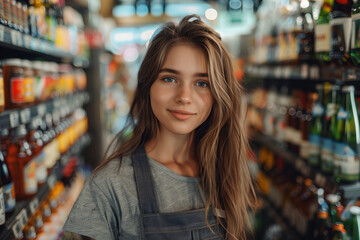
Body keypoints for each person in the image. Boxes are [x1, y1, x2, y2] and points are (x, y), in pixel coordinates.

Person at [63, 14, 256, 240]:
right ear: (147, 86)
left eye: (202, 83)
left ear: (218, 95)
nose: (184, 97)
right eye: (169, 79)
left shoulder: (225, 170)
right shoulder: (110, 185)